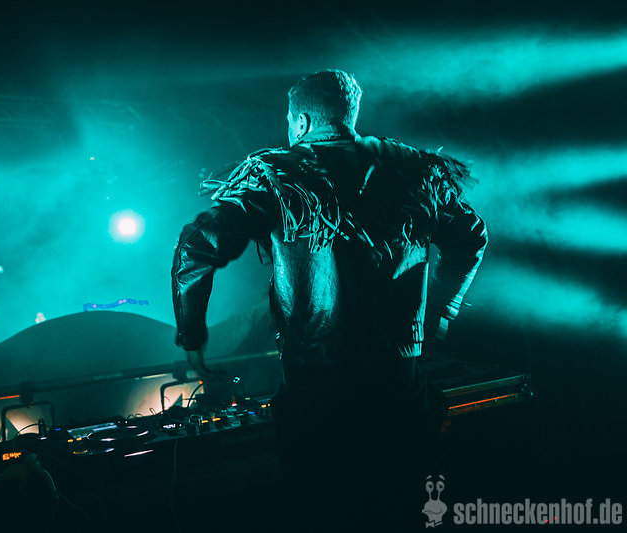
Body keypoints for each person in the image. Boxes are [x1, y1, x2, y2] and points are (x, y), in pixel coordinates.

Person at [171, 69, 487, 529]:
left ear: (300, 121)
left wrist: (192, 336)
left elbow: (196, 246)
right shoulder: (412, 169)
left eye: (289, 122)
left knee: (325, 509)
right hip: (398, 381)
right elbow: (471, 237)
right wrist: (441, 311)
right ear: (349, 114)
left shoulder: (277, 174)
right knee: (406, 507)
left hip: (316, 388)